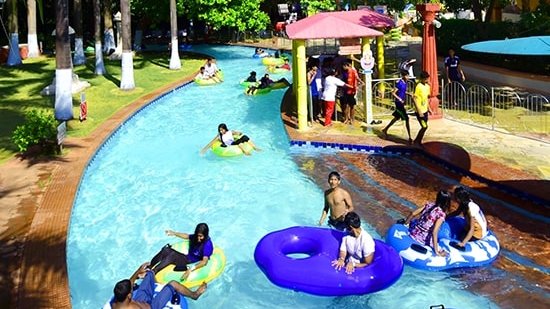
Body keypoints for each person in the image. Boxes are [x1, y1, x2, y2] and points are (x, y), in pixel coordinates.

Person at [110, 262, 206, 309]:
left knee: (150, 273)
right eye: (131, 290)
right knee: (173, 284)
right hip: (152, 306)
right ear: (129, 295)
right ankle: (195, 295)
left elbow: (130, 282)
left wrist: (138, 271)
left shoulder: (115, 302)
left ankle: (156, 285)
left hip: (141, 299)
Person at [148, 223, 214, 281]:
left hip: (190, 263)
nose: (198, 238)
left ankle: (153, 272)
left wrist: (190, 269)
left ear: (205, 235)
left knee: (173, 255)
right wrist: (174, 233)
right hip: (186, 257)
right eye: (197, 235)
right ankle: (150, 266)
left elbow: (204, 262)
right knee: (166, 250)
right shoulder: (195, 237)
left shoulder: (207, 245)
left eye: (200, 236)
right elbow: (186, 236)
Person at [404, 190, 452, 256]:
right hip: (423, 239)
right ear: (447, 202)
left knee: (414, 221)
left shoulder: (429, 205)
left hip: (413, 232)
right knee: (447, 254)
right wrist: (437, 251)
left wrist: (405, 225)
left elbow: (413, 213)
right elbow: (434, 232)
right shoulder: (441, 214)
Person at [382, 70, 413, 143]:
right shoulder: (399, 83)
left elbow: (402, 91)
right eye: (406, 76)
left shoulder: (405, 83)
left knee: (396, 118)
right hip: (399, 103)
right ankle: (410, 137)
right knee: (407, 119)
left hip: (401, 103)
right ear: (403, 76)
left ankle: (385, 129)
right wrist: (399, 99)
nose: (408, 77)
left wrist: (408, 93)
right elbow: (393, 92)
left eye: (408, 76)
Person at [412, 71, 433, 146]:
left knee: (425, 127)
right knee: (424, 126)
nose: (427, 80)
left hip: (425, 110)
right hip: (419, 111)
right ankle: (417, 141)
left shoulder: (427, 87)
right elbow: (414, 99)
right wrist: (419, 111)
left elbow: (426, 98)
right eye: (425, 78)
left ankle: (418, 141)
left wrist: (429, 108)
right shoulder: (418, 86)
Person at [341, 60, 359, 125]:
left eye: (344, 66)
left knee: (352, 106)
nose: (343, 67)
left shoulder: (353, 71)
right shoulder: (343, 72)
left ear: (347, 65)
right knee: (345, 105)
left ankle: (352, 119)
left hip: (352, 91)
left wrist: (358, 85)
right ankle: (346, 118)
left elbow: (357, 78)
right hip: (345, 91)